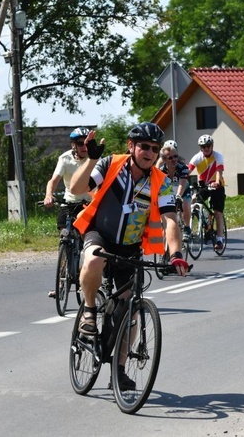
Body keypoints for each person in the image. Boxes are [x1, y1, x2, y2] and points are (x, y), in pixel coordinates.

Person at [70, 122, 189, 387]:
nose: (149, 152)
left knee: (131, 311)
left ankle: (119, 370)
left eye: (155, 149)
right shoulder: (111, 164)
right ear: (131, 146)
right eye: (144, 146)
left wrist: (176, 253)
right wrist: (91, 160)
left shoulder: (162, 183)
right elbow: (77, 189)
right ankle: (89, 311)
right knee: (94, 259)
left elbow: (170, 219)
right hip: (100, 233)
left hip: (130, 247)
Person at [43, 127, 93, 298]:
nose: (84, 147)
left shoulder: (95, 159)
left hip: (88, 205)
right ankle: (61, 283)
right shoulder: (65, 159)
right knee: (64, 238)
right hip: (69, 203)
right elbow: (53, 181)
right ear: (74, 145)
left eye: (87, 143)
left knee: (88, 241)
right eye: (80, 143)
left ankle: (85, 276)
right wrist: (49, 195)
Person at [186, 134, 226, 251]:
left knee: (218, 213)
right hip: (203, 186)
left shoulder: (218, 156)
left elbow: (219, 171)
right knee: (194, 201)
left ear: (212, 146)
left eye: (208, 146)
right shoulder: (197, 158)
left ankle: (219, 239)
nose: (206, 148)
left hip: (217, 186)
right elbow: (188, 170)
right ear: (200, 148)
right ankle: (205, 223)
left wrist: (217, 181)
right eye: (203, 146)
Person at [157, 141, 192, 241]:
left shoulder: (183, 168)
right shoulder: (161, 171)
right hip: (169, 193)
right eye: (170, 158)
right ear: (164, 160)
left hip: (183, 191)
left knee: (185, 206)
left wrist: (178, 196)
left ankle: (186, 228)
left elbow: (182, 183)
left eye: (175, 156)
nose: (174, 159)